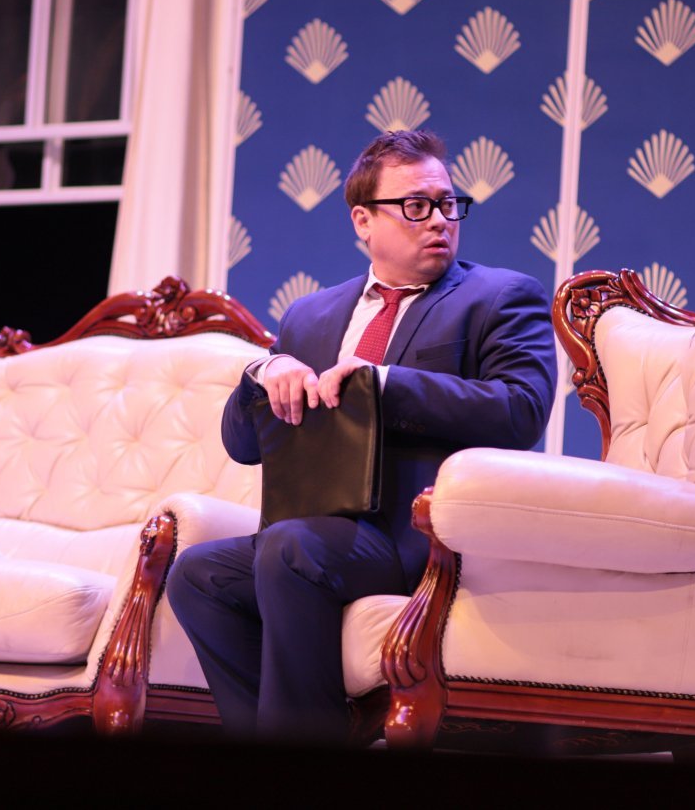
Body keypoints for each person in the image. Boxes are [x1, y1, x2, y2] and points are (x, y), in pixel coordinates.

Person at [166, 129, 557, 744]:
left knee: (290, 548)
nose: (440, 220)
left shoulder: (498, 297)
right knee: (197, 574)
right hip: (320, 532)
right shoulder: (311, 316)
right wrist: (262, 374)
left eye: (448, 203)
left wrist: (386, 384)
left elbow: (521, 411)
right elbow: (245, 446)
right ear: (363, 221)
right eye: (416, 205)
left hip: (420, 536)